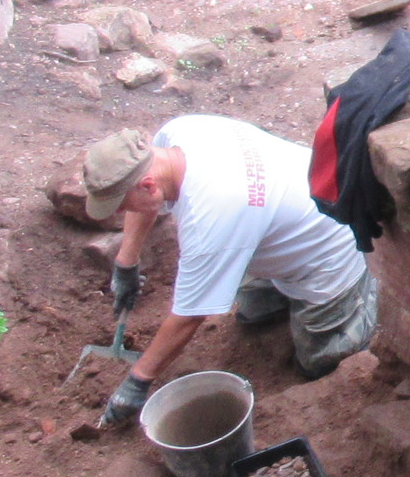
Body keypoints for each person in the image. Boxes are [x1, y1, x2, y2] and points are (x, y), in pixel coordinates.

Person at [80, 115, 381, 429]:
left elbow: (189, 317)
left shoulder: (210, 218)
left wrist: (139, 379)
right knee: (253, 314)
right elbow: (146, 202)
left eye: (122, 205)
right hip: (279, 215)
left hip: (331, 244)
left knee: (320, 361)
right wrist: (126, 262)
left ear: (147, 185)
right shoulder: (176, 135)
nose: (121, 212)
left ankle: (371, 294)